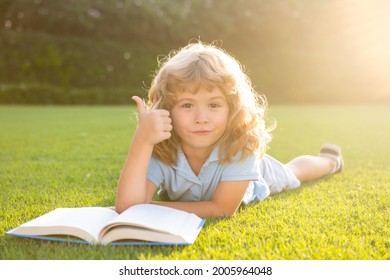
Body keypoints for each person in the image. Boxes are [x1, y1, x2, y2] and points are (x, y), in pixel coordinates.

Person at [115, 42, 343, 219]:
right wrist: (142, 141)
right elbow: (127, 205)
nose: (201, 119)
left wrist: (149, 208)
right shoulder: (162, 146)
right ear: (167, 110)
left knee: (294, 172)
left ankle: (330, 161)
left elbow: (221, 209)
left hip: (261, 176)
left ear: (232, 108)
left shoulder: (241, 146)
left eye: (214, 105)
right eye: (187, 105)